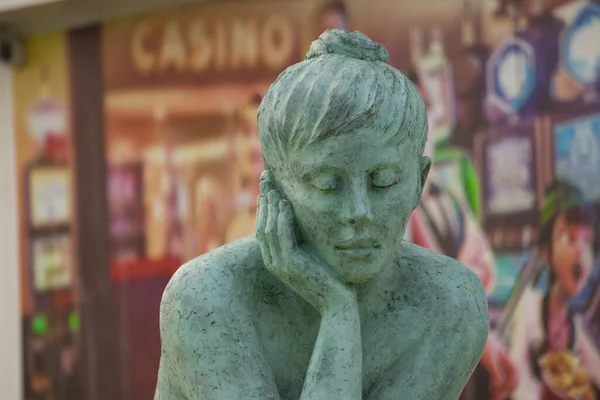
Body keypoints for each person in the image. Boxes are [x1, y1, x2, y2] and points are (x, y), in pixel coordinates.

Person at [154, 30, 488, 400]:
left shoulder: (449, 303)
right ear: (275, 191)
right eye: (328, 184)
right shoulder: (207, 297)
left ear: (418, 183)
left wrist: (336, 308)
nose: (359, 213)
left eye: (384, 182)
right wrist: (338, 309)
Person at [407, 68, 518, 400]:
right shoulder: (384, 210)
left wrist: (491, 349)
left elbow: (480, 266)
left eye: (425, 110)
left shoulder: (446, 197)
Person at [509, 181, 600, 400]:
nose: (580, 252)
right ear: (546, 253)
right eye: (568, 238)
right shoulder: (529, 306)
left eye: (587, 241)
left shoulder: (575, 326)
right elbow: (516, 381)